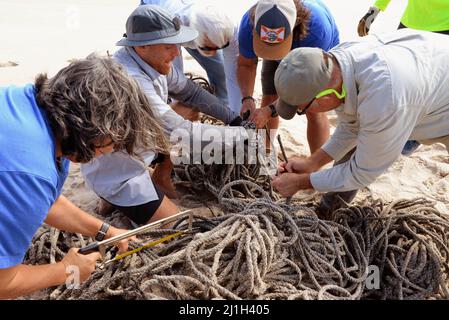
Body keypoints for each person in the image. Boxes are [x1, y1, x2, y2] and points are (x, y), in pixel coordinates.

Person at [0, 55, 165, 299]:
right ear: (90, 128)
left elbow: (48, 201)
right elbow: (3, 284)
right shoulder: (29, 173)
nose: (112, 150)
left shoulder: (27, 104)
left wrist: (105, 232)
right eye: (113, 141)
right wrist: (66, 270)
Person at [81, 5, 246, 227]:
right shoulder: (132, 80)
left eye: (177, 45)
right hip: (120, 176)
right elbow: (182, 133)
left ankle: (159, 177)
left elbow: (190, 91)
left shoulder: (151, 62)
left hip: (135, 147)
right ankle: (113, 196)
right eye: (169, 46)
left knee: (191, 104)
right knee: (181, 227)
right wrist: (243, 137)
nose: (177, 53)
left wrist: (233, 119)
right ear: (143, 47)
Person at [271, 29, 449, 214]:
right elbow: (351, 126)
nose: (302, 112)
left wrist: (301, 182)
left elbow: (362, 172)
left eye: (302, 109)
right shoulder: (337, 63)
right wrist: (312, 163)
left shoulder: (383, 99)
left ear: (324, 97)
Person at [237, 0, 339, 153]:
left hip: (313, 51)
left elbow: (305, 88)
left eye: (275, 48)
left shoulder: (317, 30)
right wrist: (247, 99)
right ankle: (265, 152)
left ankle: (315, 166)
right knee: (269, 97)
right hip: (287, 41)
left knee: (313, 109)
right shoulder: (249, 24)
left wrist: (269, 110)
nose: (272, 53)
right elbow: (246, 64)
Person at [358, 0, 449, 156]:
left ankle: (412, 139)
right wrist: (375, 9)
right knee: (395, 78)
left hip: (444, 27)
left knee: (430, 86)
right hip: (411, 23)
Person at [140, 0, 258, 113]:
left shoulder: (233, 28)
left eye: (219, 47)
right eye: (208, 48)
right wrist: (180, 107)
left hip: (199, 28)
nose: (213, 53)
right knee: (168, 87)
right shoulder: (171, 26)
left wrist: (237, 114)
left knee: (220, 72)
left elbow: (233, 74)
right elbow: (172, 76)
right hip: (156, 17)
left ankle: (226, 110)